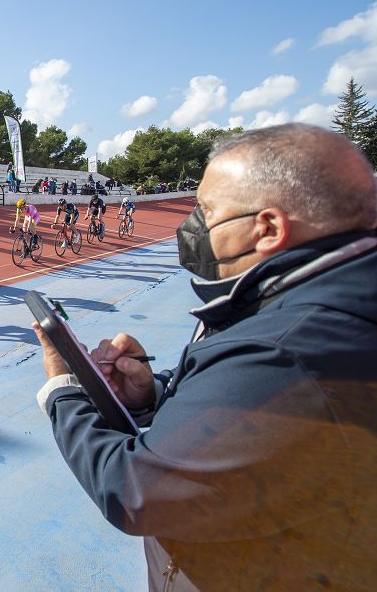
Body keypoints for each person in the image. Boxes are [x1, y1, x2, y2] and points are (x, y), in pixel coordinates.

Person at [31, 124, 377, 590]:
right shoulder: (321, 297)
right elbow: (247, 398)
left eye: (208, 210)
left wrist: (62, 389)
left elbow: (133, 490)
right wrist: (154, 391)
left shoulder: (285, 351)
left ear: (268, 228)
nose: (195, 226)